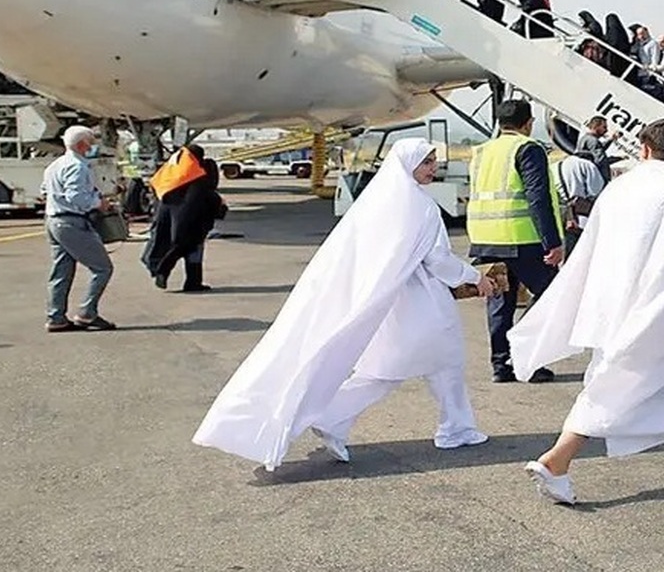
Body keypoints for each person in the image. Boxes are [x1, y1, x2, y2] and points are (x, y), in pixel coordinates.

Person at [192, 139, 497, 470]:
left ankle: (447, 427)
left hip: (388, 300)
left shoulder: (380, 201)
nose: (433, 167)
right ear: (408, 166)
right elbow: (436, 258)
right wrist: (472, 276)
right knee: (418, 365)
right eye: (426, 162)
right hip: (419, 300)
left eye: (433, 160)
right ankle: (444, 428)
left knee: (404, 367)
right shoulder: (420, 205)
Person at [509, 118, 664, 505]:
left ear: (645, 149)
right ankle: (557, 460)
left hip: (612, 305)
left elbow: (592, 248)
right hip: (661, 307)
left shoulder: (619, 186)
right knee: (635, 385)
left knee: (649, 382)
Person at [467, 99, 563, 384]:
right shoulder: (527, 148)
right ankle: (527, 360)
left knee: (499, 303)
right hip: (522, 239)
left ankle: (501, 365)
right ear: (529, 123)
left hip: (486, 238)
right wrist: (552, 241)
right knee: (549, 297)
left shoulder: (482, 151)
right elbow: (538, 196)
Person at [40, 126, 116, 332]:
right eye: (90, 143)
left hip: (53, 220)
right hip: (71, 221)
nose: (92, 147)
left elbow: (44, 191)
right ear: (82, 144)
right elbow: (76, 197)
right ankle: (87, 313)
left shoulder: (54, 165)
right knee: (102, 268)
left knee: (61, 270)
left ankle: (56, 316)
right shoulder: (78, 166)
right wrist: (98, 203)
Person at [145, 154, 228, 292]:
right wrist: (223, 205)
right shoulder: (206, 190)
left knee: (177, 251)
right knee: (194, 255)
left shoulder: (178, 185)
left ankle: (164, 273)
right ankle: (191, 282)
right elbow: (218, 213)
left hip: (177, 230)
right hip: (196, 231)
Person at [555, 150, 605, 257]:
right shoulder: (587, 165)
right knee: (581, 251)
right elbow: (596, 189)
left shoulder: (555, 166)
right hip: (579, 215)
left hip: (559, 212)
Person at [576, 116, 619, 181]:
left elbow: (598, 149)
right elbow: (601, 160)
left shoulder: (585, 138)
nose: (606, 130)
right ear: (596, 126)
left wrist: (611, 139)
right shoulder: (593, 141)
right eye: (604, 127)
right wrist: (618, 159)